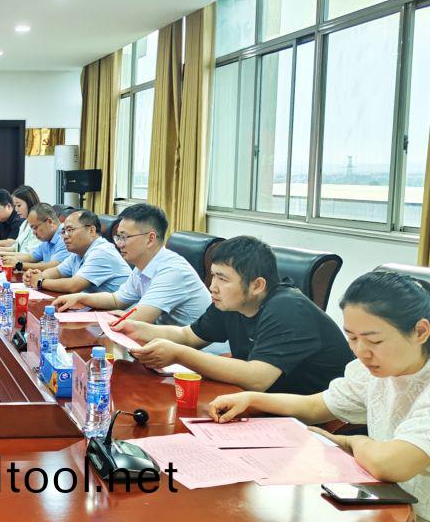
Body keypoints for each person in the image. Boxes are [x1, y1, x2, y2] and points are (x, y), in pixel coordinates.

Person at [207, 272, 430, 518]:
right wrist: (252, 399)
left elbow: (388, 464)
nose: (361, 352)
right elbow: (316, 406)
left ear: (420, 332)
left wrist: (352, 442)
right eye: (352, 338)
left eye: (374, 341)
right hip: (389, 505)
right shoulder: (377, 371)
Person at [114, 236, 352, 394]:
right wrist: (138, 328)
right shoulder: (230, 303)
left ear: (257, 285)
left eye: (223, 279)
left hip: (318, 419)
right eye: (213, 276)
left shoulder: (288, 309)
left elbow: (257, 377)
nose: (212, 286)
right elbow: (188, 335)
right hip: (265, 401)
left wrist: (179, 354)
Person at [53, 203, 214, 331]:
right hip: (166, 343)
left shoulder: (172, 271)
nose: (119, 244)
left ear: (150, 239)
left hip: (200, 354)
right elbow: (116, 300)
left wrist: (118, 317)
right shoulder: (142, 267)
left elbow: (138, 320)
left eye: (124, 237)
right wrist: (80, 298)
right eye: (118, 237)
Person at [22, 209, 130, 294]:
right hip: (97, 310)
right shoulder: (78, 253)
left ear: (91, 230)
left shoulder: (102, 252)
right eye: (63, 232)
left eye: (70, 230)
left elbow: (73, 285)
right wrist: (37, 276)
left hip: (121, 313)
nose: (65, 236)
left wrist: (40, 282)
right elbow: (57, 272)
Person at [1, 203, 71, 271]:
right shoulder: (48, 239)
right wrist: (8, 259)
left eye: (35, 227)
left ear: (49, 222)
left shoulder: (65, 237)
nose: (34, 233)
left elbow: (53, 266)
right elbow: (31, 257)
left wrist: (19, 265)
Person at [0, 185, 42, 255]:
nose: (16, 209)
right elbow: (16, 247)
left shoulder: (38, 224)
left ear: (29, 203)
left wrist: (3, 253)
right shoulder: (24, 223)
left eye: (19, 205)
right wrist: (0, 249)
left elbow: (29, 254)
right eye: (15, 206)